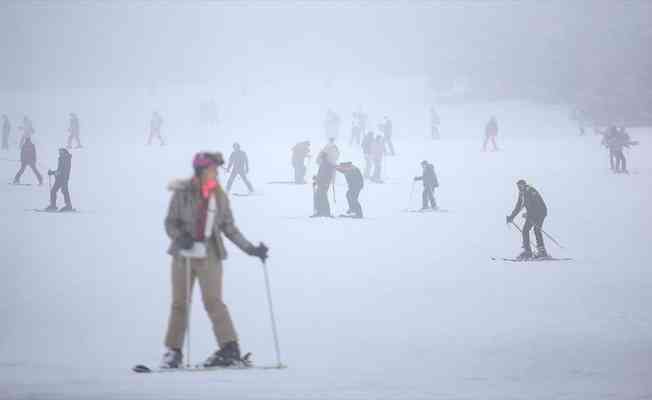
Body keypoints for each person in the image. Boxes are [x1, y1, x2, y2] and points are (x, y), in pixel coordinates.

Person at [160, 151, 268, 369]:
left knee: (213, 301)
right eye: (212, 170)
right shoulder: (182, 193)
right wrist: (182, 238)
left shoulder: (219, 195)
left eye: (216, 170)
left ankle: (230, 349)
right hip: (183, 255)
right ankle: (174, 351)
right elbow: (170, 222)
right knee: (180, 303)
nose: (216, 173)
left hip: (210, 254)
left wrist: (251, 250)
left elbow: (229, 228)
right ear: (201, 171)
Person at [506, 179, 548, 260]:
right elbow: (518, 206)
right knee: (525, 230)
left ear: (524, 185)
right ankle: (528, 251)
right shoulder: (522, 193)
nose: (519, 187)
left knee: (536, 230)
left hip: (540, 212)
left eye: (520, 186)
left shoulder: (531, 191)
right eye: (518, 186)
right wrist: (511, 217)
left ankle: (541, 251)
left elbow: (538, 204)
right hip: (532, 214)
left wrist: (528, 214)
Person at [311, 151, 335, 217]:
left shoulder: (326, 164)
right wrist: (316, 178)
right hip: (321, 183)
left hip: (323, 183)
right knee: (320, 197)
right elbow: (321, 174)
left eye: (322, 157)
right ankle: (320, 211)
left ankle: (325, 212)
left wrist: (318, 180)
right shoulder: (324, 164)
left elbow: (325, 175)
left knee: (322, 197)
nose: (322, 158)